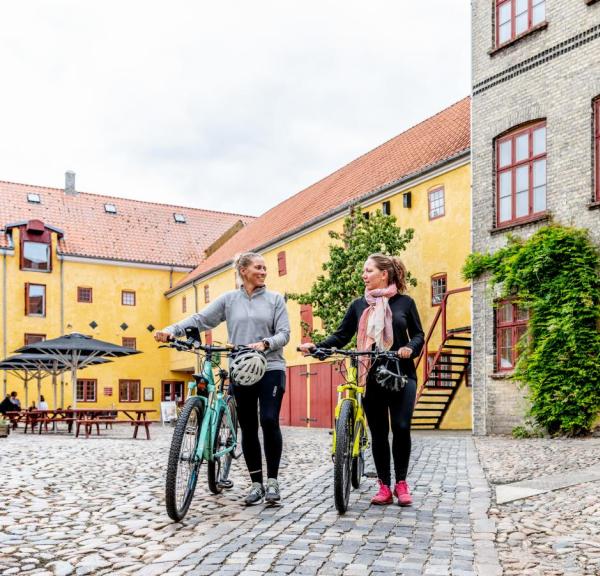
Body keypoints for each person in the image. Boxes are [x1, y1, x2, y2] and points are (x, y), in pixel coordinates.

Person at [154, 252, 290, 506]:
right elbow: (200, 320)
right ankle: (256, 483)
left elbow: (284, 333)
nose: (263, 272)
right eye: (258, 268)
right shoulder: (229, 300)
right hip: (240, 368)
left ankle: (273, 481)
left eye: (265, 268)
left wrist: (265, 343)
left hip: (270, 366)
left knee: (269, 420)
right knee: (248, 426)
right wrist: (171, 330)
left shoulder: (275, 300)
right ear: (243, 270)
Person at [299, 253, 424, 506]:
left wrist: (410, 347)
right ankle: (384, 486)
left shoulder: (405, 303)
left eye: (368, 271)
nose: (363, 275)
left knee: (400, 428)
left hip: (401, 373)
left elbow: (419, 334)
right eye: (364, 271)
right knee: (378, 433)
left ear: (384, 274)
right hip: (371, 376)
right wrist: (318, 347)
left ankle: (401, 484)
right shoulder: (359, 305)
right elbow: (342, 335)